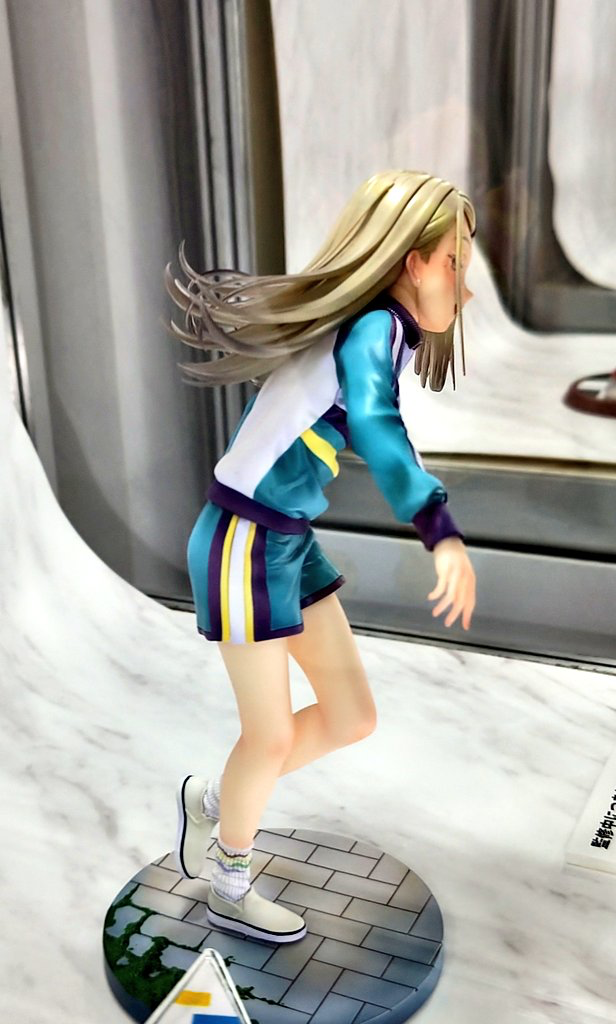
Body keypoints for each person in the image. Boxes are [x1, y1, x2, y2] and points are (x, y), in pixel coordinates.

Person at [164, 170, 477, 944]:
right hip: (243, 540)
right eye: (455, 263)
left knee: (350, 716)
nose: (466, 287)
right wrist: (439, 529)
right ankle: (229, 884)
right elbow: (376, 425)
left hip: (285, 538)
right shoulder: (372, 329)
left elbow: (365, 423)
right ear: (413, 263)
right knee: (269, 735)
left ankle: (212, 802)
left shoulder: (376, 327)